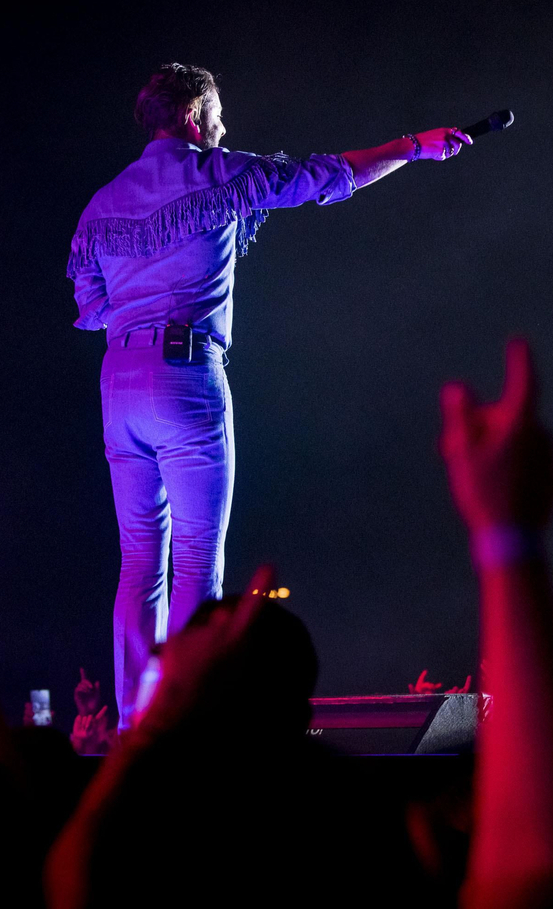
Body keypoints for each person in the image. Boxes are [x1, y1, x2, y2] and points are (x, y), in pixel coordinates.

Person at [67, 63, 473, 727]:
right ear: (194, 115)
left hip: (119, 381)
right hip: (185, 371)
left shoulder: (103, 201)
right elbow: (330, 175)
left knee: (140, 559)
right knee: (197, 554)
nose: (225, 126)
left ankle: (136, 722)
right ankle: (193, 715)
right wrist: (415, 145)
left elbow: (91, 304)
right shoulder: (219, 173)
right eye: (218, 113)